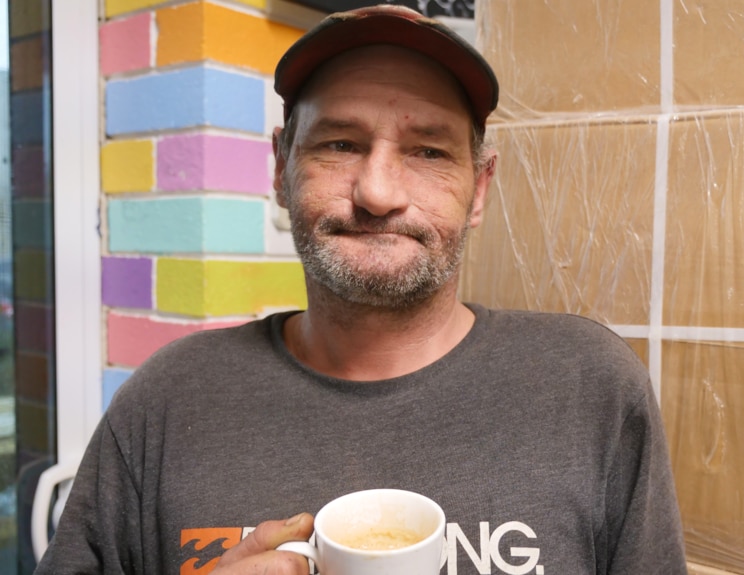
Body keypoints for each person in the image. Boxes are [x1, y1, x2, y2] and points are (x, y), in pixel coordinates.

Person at [36, 5, 687, 574]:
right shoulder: (168, 401)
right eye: (340, 143)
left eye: (428, 152)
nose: (378, 191)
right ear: (280, 171)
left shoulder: (587, 385)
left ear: (479, 187)